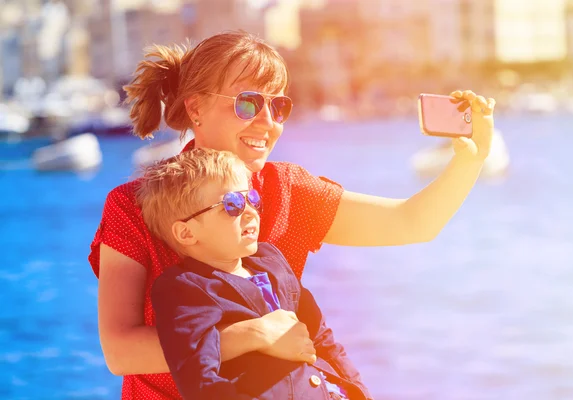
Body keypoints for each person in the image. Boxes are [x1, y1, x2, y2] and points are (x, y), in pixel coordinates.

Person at [91, 30, 495, 400]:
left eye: (278, 105)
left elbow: (414, 223)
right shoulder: (134, 205)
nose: (267, 123)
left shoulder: (289, 191)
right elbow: (121, 351)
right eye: (248, 103)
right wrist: (249, 336)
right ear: (195, 108)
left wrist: (471, 160)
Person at [136, 147, 372, 399]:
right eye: (231, 205)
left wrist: (360, 392)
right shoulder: (183, 287)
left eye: (252, 199)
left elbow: (322, 337)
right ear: (186, 233)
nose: (250, 211)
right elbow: (199, 380)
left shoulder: (271, 260)